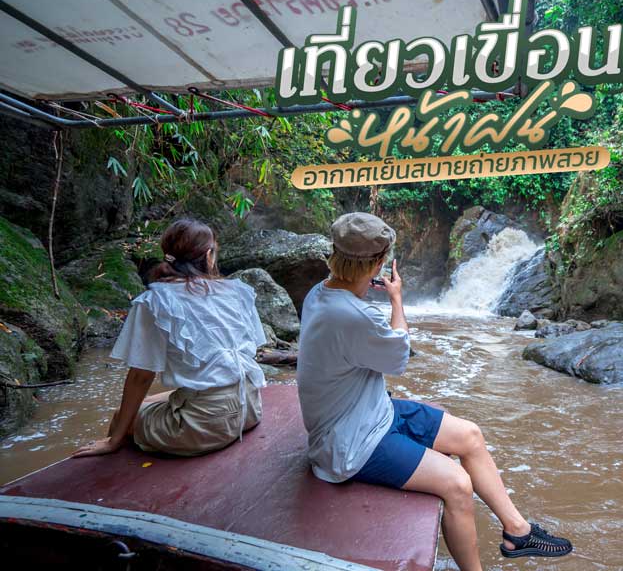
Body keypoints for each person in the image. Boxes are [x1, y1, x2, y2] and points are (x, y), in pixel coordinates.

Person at [297, 212, 572, 570]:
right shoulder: (354, 316)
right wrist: (397, 299)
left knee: (470, 436)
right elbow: (399, 356)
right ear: (378, 264)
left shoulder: (320, 293)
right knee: (457, 485)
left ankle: (517, 531)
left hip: (372, 413)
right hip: (350, 443)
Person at [72, 218, 268, 458]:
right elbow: (250, 351)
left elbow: (141, 377)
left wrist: (114, 439)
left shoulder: (155, 302)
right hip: (250, 409)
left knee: (122, 416)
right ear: (209, 256)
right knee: (156, 399)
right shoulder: (239, 292)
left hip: (203, 427)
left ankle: (115, 454)